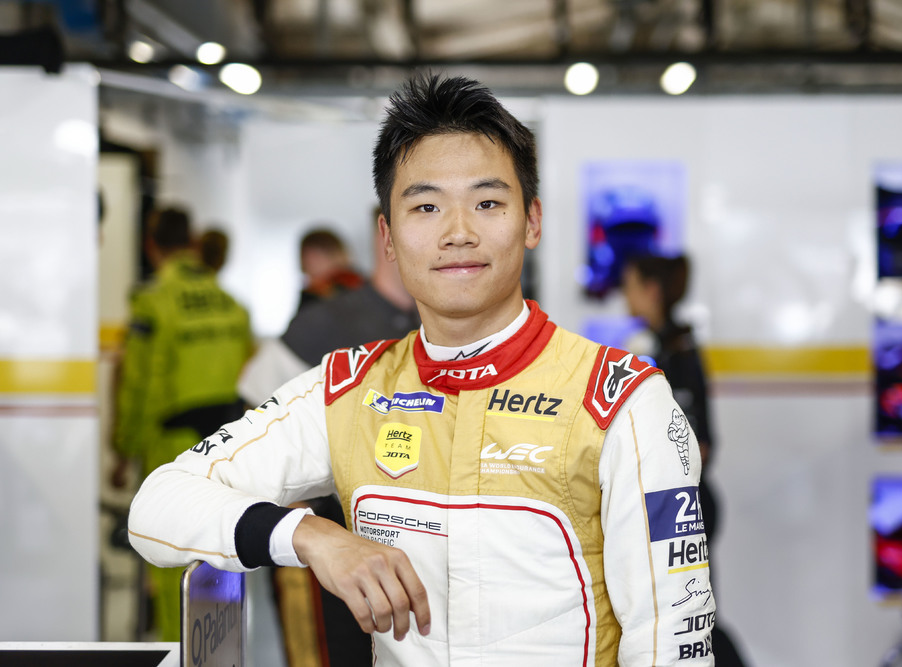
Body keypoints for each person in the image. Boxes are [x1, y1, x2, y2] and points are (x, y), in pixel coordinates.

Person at [128, 74, 715, 665]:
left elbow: (672, 641)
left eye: (488, 203)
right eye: (426, 207)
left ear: (532, 221)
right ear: (387, 237)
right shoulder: (348, 390)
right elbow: (156, 507)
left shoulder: (623, 401)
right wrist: (309, 535)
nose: (458, 233)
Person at [238, 206, 418, 667]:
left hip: (419, 549)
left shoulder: (449, 327)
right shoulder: (322, 325)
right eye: (421, 213)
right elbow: (251, 407)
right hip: (328, 546)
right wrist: (298, 516)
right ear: (385, 233)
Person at [114, 206, 253, 641]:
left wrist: (125, 448)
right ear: (191, 241)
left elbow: (141, 383)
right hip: (224, 447)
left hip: (170, 442)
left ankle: (180, 652)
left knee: (169, 552)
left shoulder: (153, 302)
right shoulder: (232, 304)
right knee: (218, 549)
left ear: (150, 245)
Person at [622, 254, 748, 667]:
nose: (625, 296)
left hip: (684, 504)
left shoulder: (677, 353)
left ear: (651, 290)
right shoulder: (652, 348)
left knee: (696, 622)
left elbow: (700, 442)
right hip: (669, 504)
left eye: (630, 285)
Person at [296, 227, 363, 313]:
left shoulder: (355, 285)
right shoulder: (311, 293)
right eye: (307, 260)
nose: (311, 264)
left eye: (317, 257)